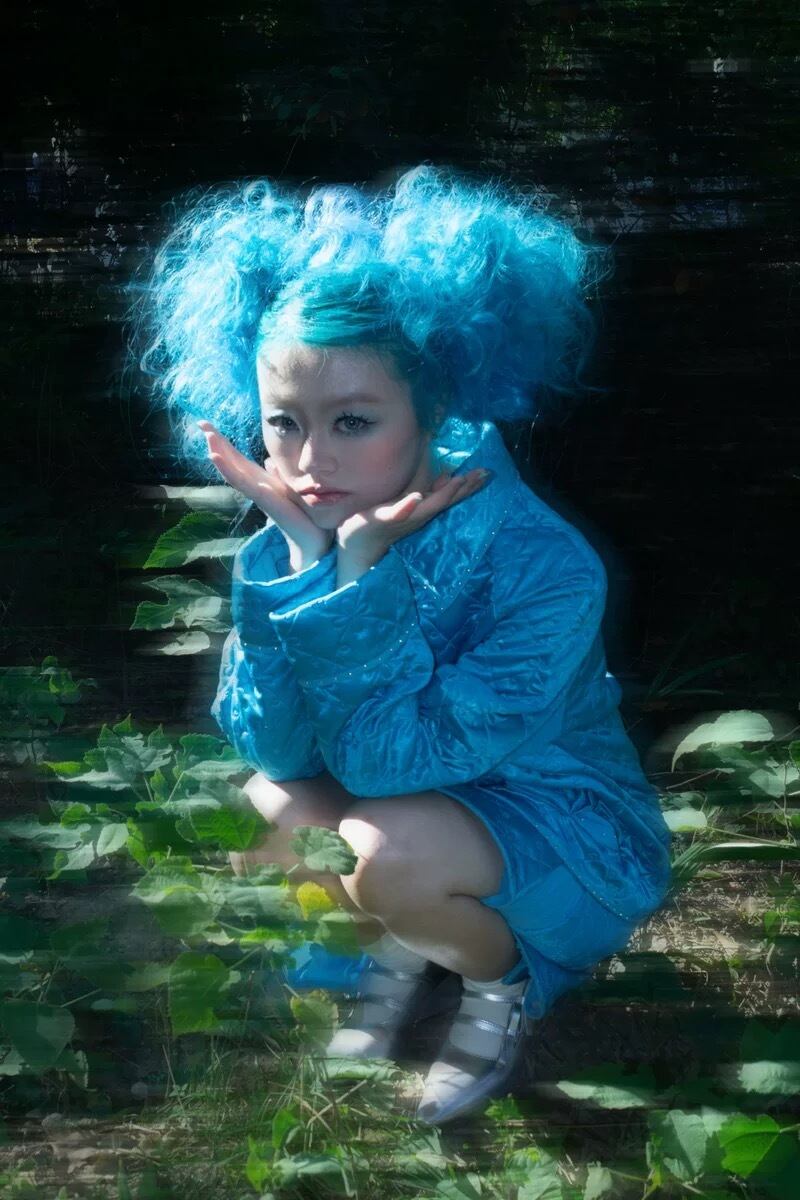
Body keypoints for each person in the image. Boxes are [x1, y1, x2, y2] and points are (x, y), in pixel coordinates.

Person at [134, 164, 672, 1124]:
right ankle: (387, 955)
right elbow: (275, 748)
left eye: (353, 421)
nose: (309, 462)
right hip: (402, 798)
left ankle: (498, 988)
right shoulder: (296, 531)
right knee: (267, 809)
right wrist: (309, 561)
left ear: (434, 409)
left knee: (382, 849)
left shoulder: (543, 562)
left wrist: (355, 581)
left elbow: (391, 766)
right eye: (283, 423)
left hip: (558, 830)